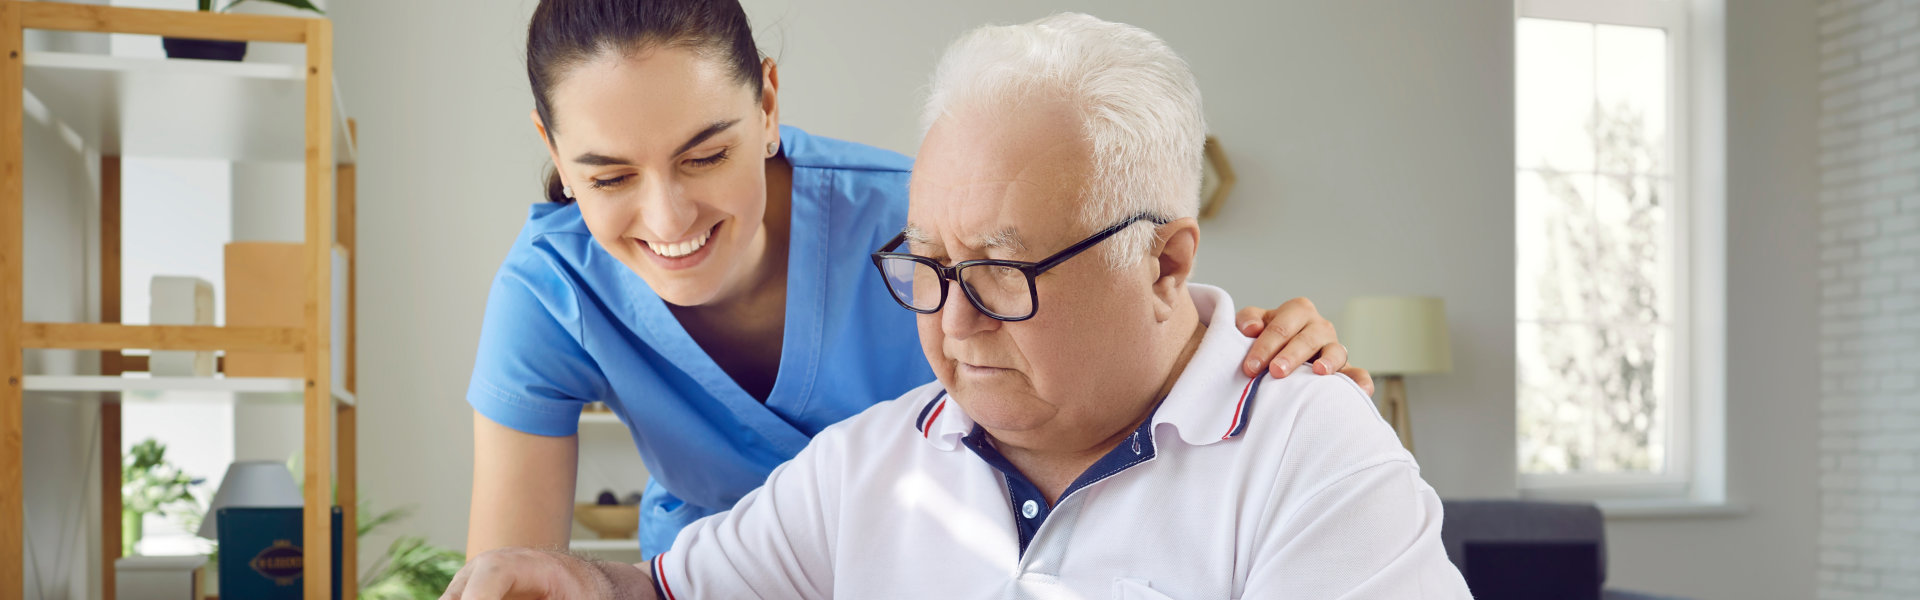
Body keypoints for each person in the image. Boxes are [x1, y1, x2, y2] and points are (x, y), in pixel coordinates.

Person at [446, 13, 1469, 599]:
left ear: (1165, 265)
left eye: (1000, 272)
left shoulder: (1304, 453)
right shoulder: (877, 459)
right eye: (927, 266)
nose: (951, 322)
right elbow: (667, 589)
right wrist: (570, 581)